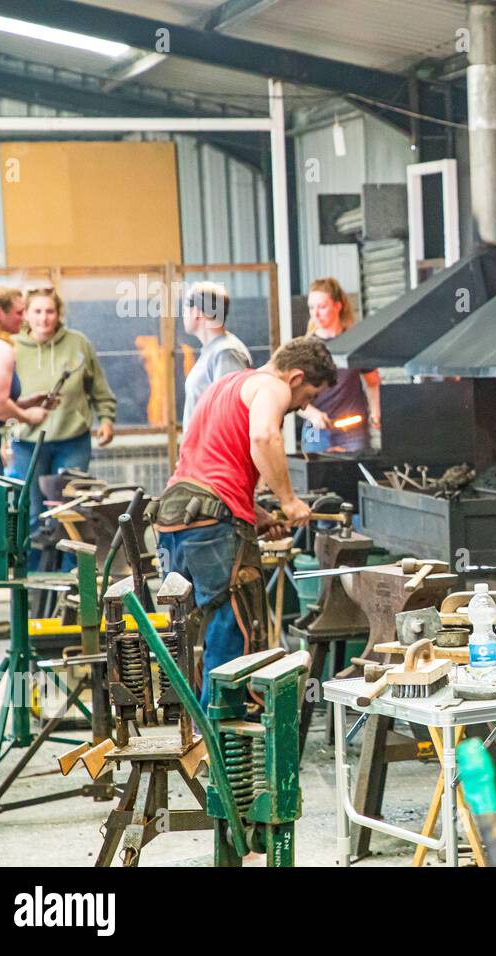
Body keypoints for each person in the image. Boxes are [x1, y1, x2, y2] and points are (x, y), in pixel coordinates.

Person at [154, 336, 336, 705]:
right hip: (211, 521)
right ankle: (217, 749)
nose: (304, 406)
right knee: (232, 633)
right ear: (296, 377)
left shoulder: (226, 385)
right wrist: (289, 500)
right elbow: (263, 436)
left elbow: (207, 462)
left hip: (175, 514)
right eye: (310, 396)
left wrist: (256, 513)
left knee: (189, 633)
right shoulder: (271, 386)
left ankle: (190, 731)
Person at [0, 288, 54, 637]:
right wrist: (28, 415)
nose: (24, 318)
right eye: (18, 312)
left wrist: (24, 401)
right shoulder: (0, 348)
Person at [9, 287, 117, 568]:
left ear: (59, 314)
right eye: (37, 311)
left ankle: (74, 579)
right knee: (31, 513)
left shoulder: (78, 343)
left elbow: (98, 387)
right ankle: (33, 582)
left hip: (72, 440)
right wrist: (1, 437)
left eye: (50, 311)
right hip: (26, 444)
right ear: (26, 315)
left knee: (72, 512)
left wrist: (106, 418)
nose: (44, 318)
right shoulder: (11, 347)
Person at [298, 278, 379, 453]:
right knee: (318, 478)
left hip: (352, 429)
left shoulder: (356, 342)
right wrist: (313, 414)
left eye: (322, 307)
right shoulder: (305, 348)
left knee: (354, 477)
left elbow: (373, 382)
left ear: (338, 305)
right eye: (312, 308)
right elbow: (292, 394)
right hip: (316, 429)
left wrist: (376, 411)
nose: (316, 314)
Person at [181, 281, 251, 429]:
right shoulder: (213, 351)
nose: (183, 315)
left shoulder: (226, 353)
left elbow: (229, 413)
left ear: (197, 312)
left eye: (185, 308)